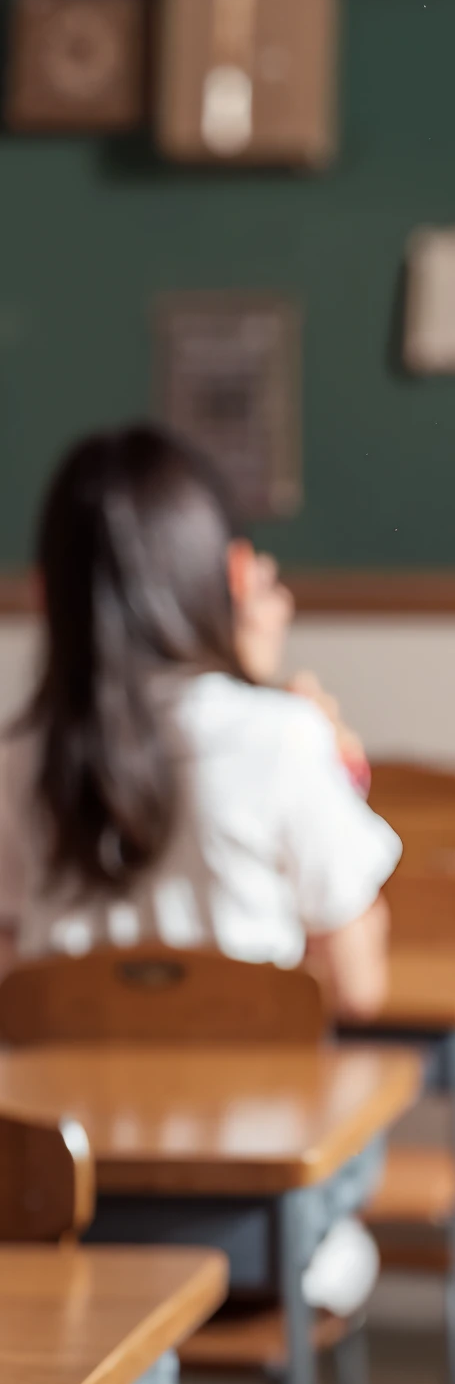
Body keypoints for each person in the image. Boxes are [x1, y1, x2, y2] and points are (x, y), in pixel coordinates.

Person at [0, 424, 400, 1315]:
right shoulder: (281, 738)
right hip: (252, 1227)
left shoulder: (19, 757)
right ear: (206, 577)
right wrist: (311, 735)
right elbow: (360, 985)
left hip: (50, 1219)